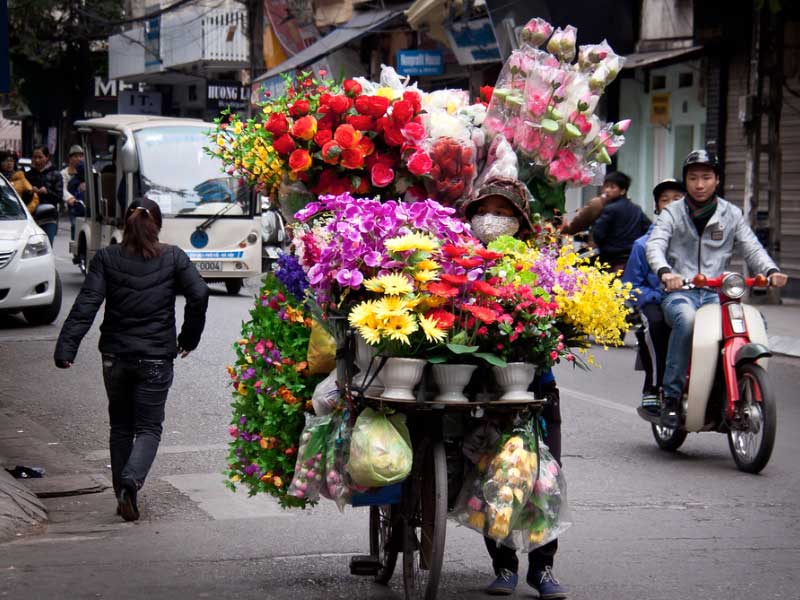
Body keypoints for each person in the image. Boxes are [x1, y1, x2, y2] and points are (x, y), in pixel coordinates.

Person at [53, 198, 210, 522]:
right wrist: (188, 338)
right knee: (149, 428)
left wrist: (67, 347)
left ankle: (124, 492)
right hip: (155, 358)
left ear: (125, 224)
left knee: (121, 427)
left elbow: (87, 303)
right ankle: (131, 480)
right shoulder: (174, 257)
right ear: (157, 225)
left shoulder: (107, 258)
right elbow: (199, 294)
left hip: (116, 357)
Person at [462, 177, 568, 599]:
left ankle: (542, 570)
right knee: (496, 477)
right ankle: (503, 565)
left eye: (505, 213)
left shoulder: (539, 265)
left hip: (535, 386)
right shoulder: (458, 261)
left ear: (521, 223)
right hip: (480, 390)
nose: (494, 220)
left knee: (544, 478)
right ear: (472, 217)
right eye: (487, 211)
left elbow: (561, 318)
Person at [646, 150, 788, 428]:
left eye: (706, 177)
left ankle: (735, 389)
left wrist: (770, 271)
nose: (700, 184)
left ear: (717, 180)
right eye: (693, 178)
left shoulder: (730, 214)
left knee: (754, 321)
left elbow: (752, 247)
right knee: (686, 322)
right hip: (681, 293)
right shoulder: (672, 213)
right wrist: (666, 272)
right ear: (685, 181)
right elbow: (655, 245)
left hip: (717, 294)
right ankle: (672, 398)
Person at [622, 179, 684, 414]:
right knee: (656, 326)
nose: (670, 205)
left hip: (691, 299)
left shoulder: (699, 241)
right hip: (654, 302)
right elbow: (630, 285)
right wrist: (656, 295)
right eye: (664, 200)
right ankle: (654, 387)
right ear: (657, 208)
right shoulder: (642, 244)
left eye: (677, 199)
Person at [590, 171, 651, 273]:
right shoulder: (636, 209)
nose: (607, 190)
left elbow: (598, 233)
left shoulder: (610, 209)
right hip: (633, 258)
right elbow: (649, 229)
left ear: (623, 191)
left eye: (612, 187)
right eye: (606, 186)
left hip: (612, 259)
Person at [25, 145, 63, 246]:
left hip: (49, 217)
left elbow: (59, 197)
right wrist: (30, 192)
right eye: (34, 157)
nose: (37, 160)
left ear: (47, 157)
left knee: (47, 246)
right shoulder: (27, 175)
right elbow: (21, 198)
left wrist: (47, 192)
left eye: (40, 157)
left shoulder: (56, 174)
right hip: (32, 218)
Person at [61, 145, 85, 240]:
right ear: (70, 158)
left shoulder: (89, 171)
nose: (78, 159)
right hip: (73, 205)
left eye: (80, 156)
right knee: (75, 225)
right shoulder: (64, 173)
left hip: (86, 205)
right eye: (75, 156)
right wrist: (71, 199)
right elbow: (63, 189)